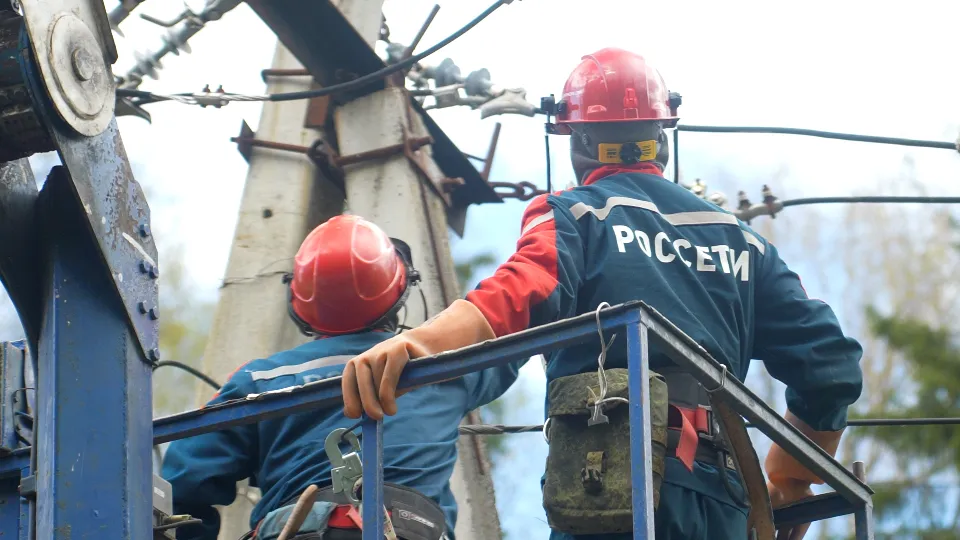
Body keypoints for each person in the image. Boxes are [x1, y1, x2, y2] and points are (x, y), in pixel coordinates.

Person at [339, 48, 864, 540]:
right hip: (723, 492)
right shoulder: (742, 241)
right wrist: (791, 477)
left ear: (578, 139)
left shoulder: (576, 214)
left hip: (610, 476)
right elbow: (830, 362)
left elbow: (520, 290)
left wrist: (419, 344)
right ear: (661, 136)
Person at [162, 215, 523, 540]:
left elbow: (184, 483)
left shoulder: (259, 380)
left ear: (299, 301)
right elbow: (515, 329)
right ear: (399, 289)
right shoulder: (444, 368)